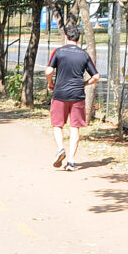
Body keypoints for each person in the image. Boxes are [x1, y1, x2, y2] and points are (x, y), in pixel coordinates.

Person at [43, 26, 98, 171]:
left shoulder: (59, 52)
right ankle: (72, 161)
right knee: (75, 127)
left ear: (66, 37)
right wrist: (84, 84)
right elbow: (96, 76)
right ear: (78, 38)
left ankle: (61, 148)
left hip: (60, 94)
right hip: (77, 95)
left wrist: (50, 83)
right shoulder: (84, 55)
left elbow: (49, 71)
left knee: (57, 125)